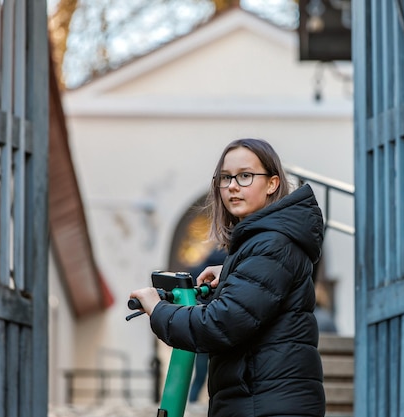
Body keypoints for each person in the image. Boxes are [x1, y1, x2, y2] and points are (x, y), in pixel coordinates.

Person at [130, 138, 326, 417]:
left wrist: (158, 309)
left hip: (267, 406)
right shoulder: (266, 244)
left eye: (245, 176)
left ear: (272, 183)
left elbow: (220, 324)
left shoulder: (272, 245)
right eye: (225, 178)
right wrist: (232, 272)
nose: (232, 186)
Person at [186, 248, 227, 404]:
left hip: (201, 325)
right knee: (221, 372)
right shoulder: (224, 272)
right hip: (220, 326)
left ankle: (192, 402)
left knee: (200, 373)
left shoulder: (199, 270)